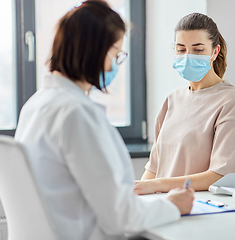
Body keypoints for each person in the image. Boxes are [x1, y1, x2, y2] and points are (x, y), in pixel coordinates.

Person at [14, 1, 194, 239]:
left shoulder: (36, 105)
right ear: (96, 51)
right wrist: (172, 205)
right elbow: (119, 218)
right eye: (116, 54)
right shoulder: (74, 113)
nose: (115, 65)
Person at [135, 13, 235, 195]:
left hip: (201, 210)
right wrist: (135, 196)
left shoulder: (230, 100)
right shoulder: (172, 100)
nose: (188, 56)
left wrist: (157, 185)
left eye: (197, 50)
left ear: (215, 51)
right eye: (181, 49)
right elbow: (154, 169)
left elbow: (223, 175)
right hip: (165, 208)